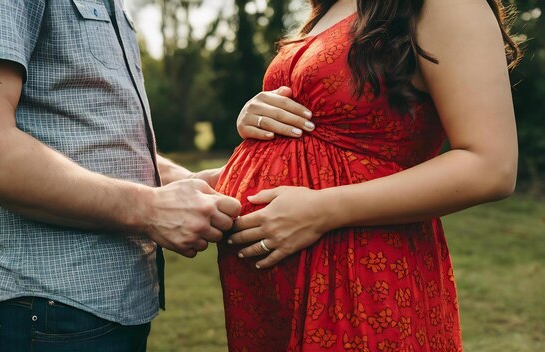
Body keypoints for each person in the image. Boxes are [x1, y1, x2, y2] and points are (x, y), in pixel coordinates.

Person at [0, 0, 241, 351]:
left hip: (103, 314)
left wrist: (185, 181)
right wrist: (150, 209)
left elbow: (90, 141)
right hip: (39, 316)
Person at [216, 0, 520, 350]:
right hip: (268, 297)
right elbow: (331, 147)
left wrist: (322, 210)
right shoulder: (332, 5)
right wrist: (252, 131)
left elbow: (491, 166)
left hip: (361, 278)